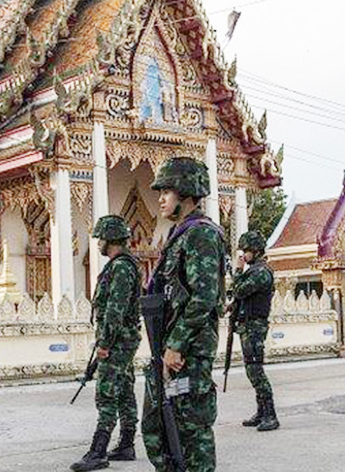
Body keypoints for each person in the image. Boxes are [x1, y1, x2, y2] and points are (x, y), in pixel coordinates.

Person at [142, 157, 225, 472]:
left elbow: (204, 296)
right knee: (158, 428)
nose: (161, 198)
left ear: (187, 194)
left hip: (187, 353)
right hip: (167, 352)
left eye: (167, 191)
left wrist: (176, 345)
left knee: (191, 433)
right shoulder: (179, 235)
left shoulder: (201, 234)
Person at [71, 215, 143, 472]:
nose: (98, 243)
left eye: (101, 238)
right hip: (122, 339)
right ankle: (126, 444)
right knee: (124, 390)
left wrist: (104, 343)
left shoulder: (121, 267)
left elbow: (115, 309)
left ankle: (98, 451)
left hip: (117, 341)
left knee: (107, 393)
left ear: (110, 239)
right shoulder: (121, 265)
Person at [232, 231, 279, 431]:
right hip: (248, 325)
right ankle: (261, 411)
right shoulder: (255, 271)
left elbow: (239, 289)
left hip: (255, 327)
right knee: (251, 369)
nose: (244, 255)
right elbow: (241, 296)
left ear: (256, 251)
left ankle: (270, 414)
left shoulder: (260, 272)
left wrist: (237, 270)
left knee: (255, 370)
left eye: (246, 251)